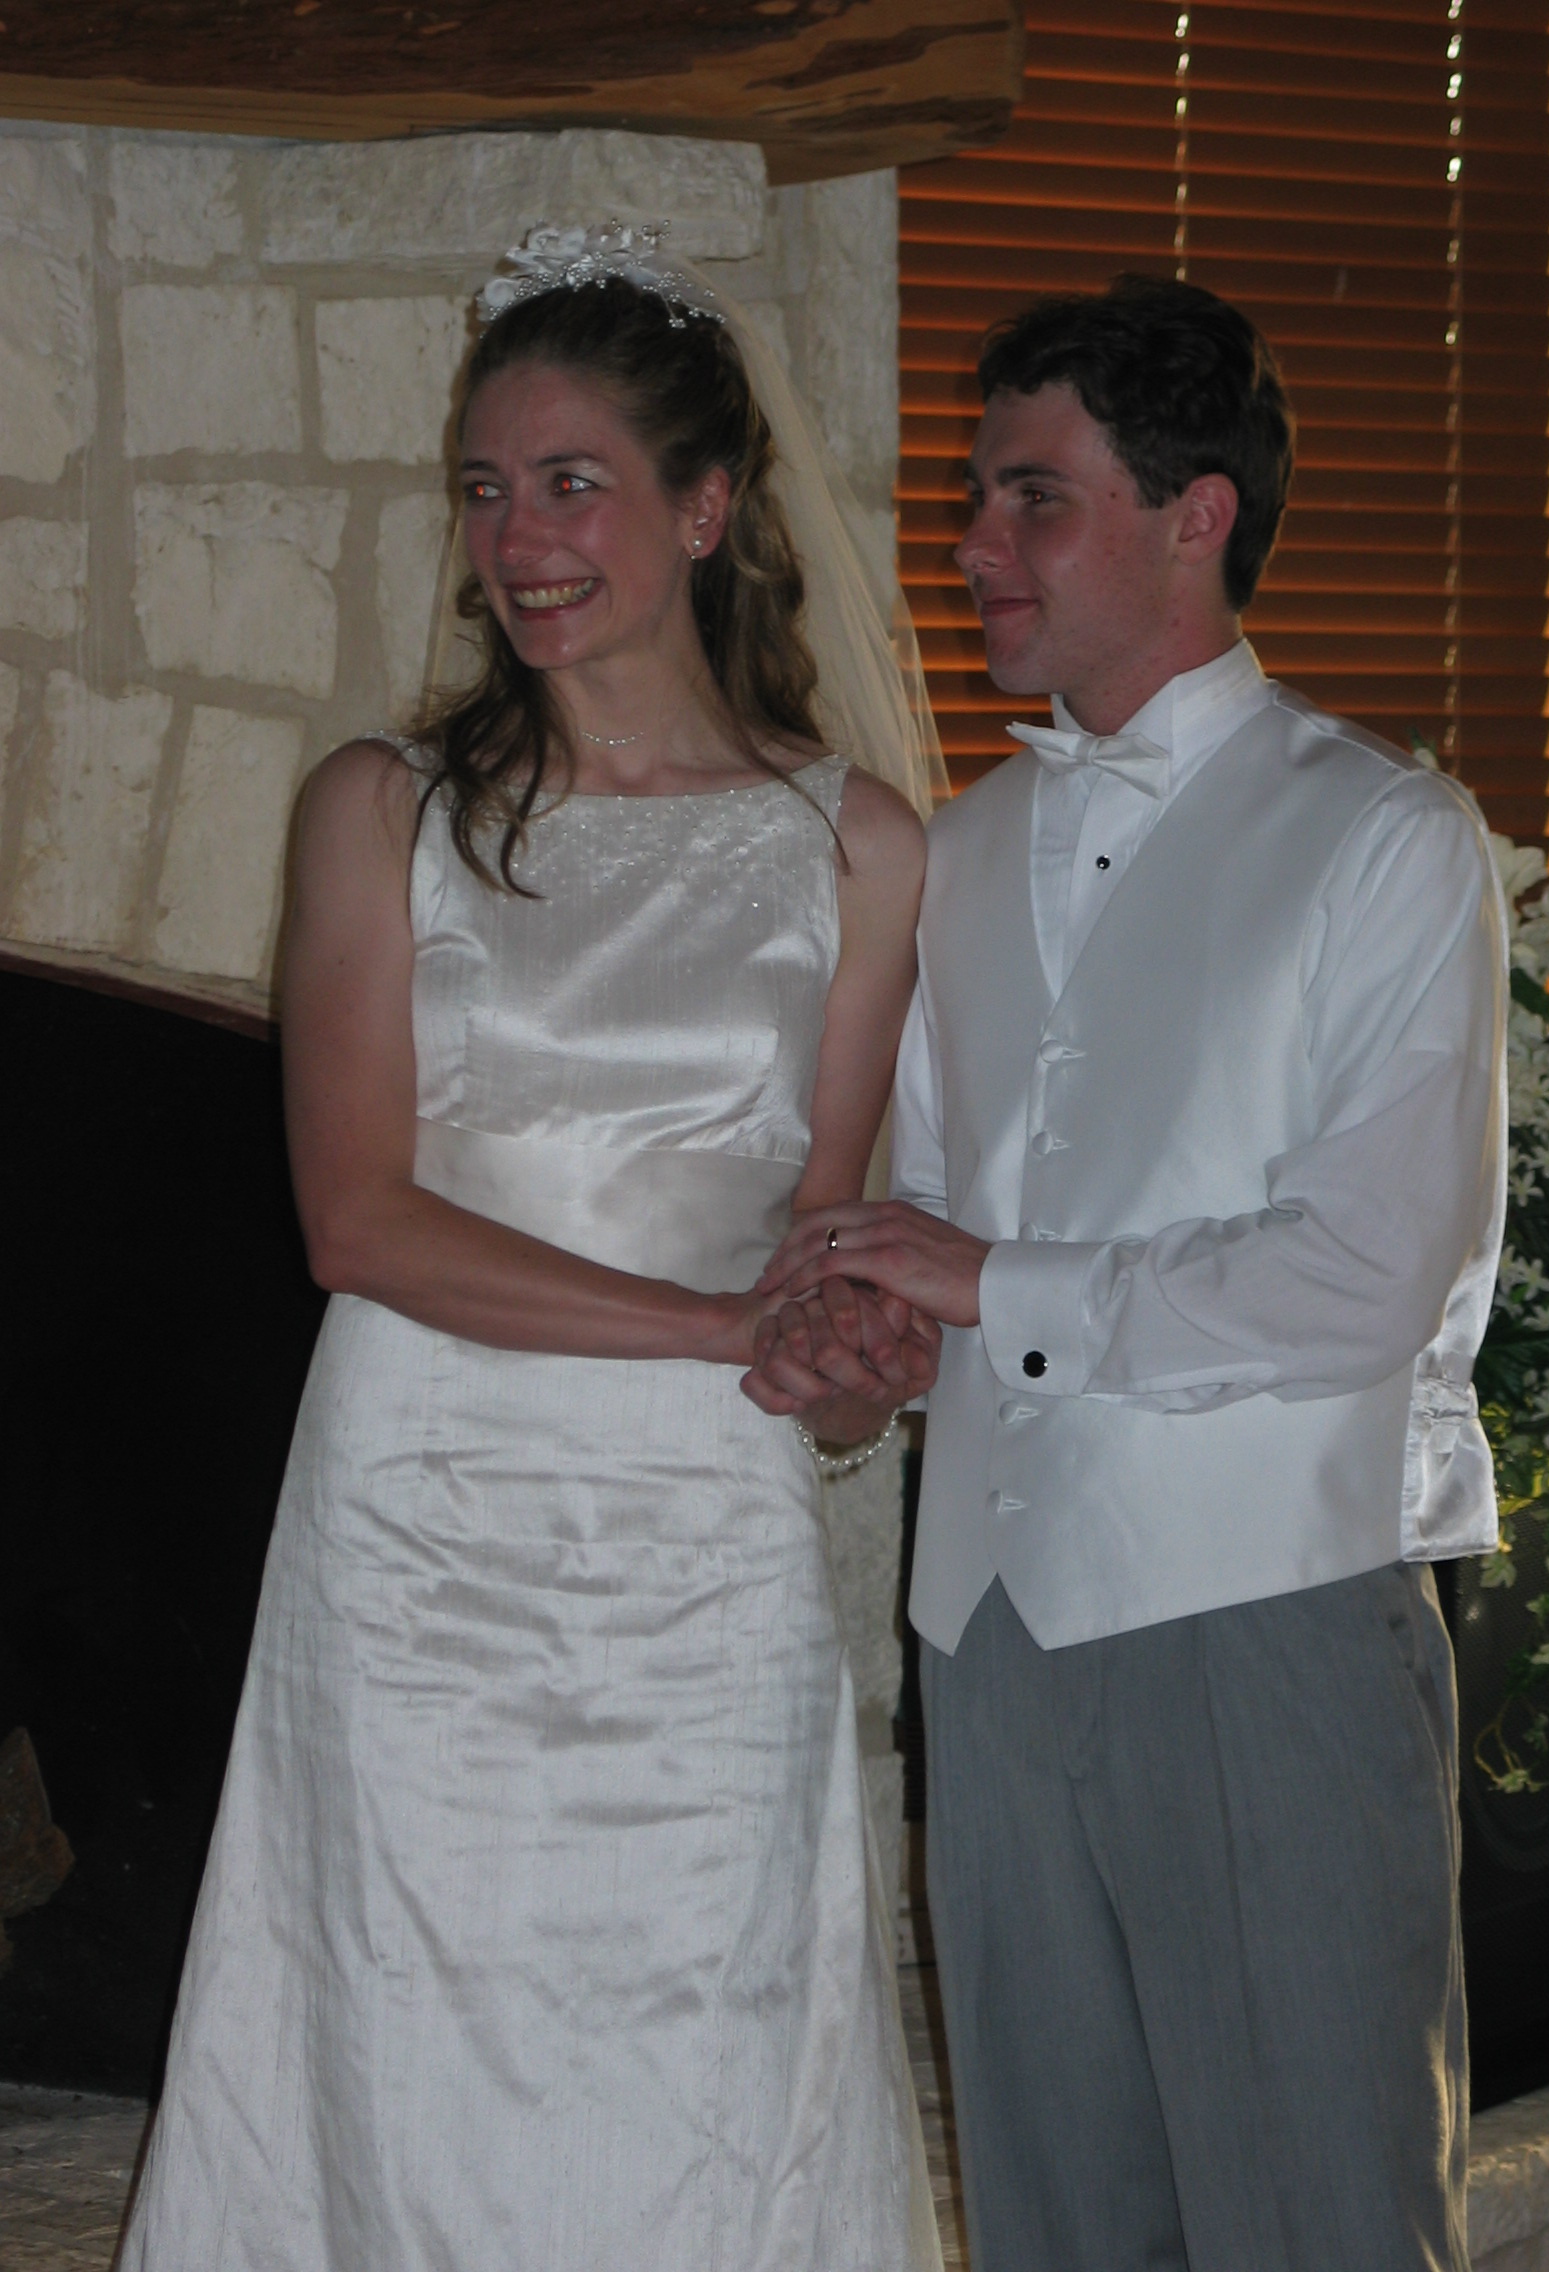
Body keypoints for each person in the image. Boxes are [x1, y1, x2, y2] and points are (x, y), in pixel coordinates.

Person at [117, 227, 944, 2272]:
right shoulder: (381, 810)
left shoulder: (859, 846)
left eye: (572, 481)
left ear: (706, 507)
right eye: (485, 488)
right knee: (402, 2023)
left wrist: (845, 1365)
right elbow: (357, 1220)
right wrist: (721, 1322)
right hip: (422, 1520)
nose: (517, 538)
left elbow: (818, 1258)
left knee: (710, 2028)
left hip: (702, 1539)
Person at [755, 273, 1506, 2270]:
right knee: (1055, 2229)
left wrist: (992, 1281)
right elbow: (940, 1238)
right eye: (974, 499)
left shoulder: (1387, 838)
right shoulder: (957, 850)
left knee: (1323, 2223)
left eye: (1034, 497)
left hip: (1269, 1619)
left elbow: (1366, 1276)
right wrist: (866, 1343)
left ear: (1197, 517)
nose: (973, 545)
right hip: (988, 1637)